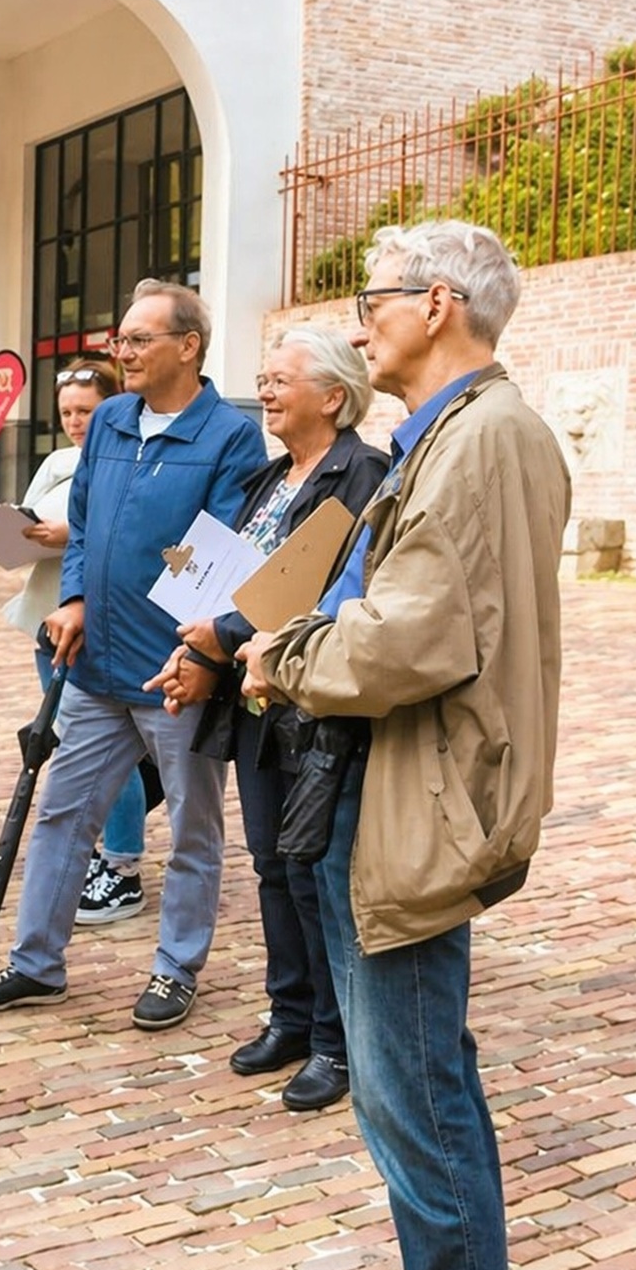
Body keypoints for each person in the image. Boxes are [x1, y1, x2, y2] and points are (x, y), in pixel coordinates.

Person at [239, 222, 568, 1270]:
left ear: (434, 304)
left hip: (409, 799)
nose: (358, 322)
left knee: (413, 1099)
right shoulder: (455, 431)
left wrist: (281, 655)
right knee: (406, 1094)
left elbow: (414, 637)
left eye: (371, 300)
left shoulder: (480, 435)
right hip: (380, 786)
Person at [0, 279, 264, 1029]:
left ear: (187, 347)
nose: (120, 352)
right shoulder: (115, 419)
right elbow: (85, 520)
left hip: (175, 672)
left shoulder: (230, 435)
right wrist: (78, 597)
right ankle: (36, 963)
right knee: (61, 812)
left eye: (137, 340)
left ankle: (175, 968)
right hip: (94, 664)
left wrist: (192, 646)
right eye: (119, 340)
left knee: (192, 825)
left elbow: (214, 550)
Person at [149, 326, 388, 1113]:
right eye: (264, 378)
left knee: (318, 871)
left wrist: (221, 635)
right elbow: (208, 570)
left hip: (312, 703)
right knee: (271, 866)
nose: (267, 392)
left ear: (333, 394)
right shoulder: (267, 477)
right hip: (250, 701)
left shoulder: (364, 474)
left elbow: (318, 586)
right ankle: (289, 1015)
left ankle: (334, 1038)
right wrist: (196, 649)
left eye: (282, 379)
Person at [4, 356, 151, 926]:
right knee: (68, 744)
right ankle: (89, 852)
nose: (74, 422)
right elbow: (29, 522)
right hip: (49, 614)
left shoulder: (129, 457)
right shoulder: (59, 461)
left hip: (105, 619)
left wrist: (73, 535)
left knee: (115, 747)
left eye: (85, 410)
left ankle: (123, 863)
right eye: (66, 412)